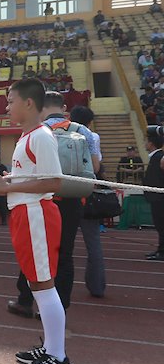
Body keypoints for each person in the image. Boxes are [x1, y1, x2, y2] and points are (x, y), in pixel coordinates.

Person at [0, 78, 71, 364]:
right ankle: (50, 348)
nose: (7, 107)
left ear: (29, 103)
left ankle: (58, 358)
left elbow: (53, 182)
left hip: (36, 213)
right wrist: (9, 181)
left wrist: (8, 185)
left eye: (11, 101)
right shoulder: (26, 137)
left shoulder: (41, 136)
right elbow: (35, 177)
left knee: (43, 283)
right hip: (25, 212)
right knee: (37, 282)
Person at [7, 91, 95, 318]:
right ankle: (60, 306)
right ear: (63, 107)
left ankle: (25, 300)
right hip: (70, 199)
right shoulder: (82, 131)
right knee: (64, 254)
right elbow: (94, 165)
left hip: (39, 201)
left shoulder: (34, 131)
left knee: (33, 252)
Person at [68, 105, 105, 297]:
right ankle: (97, 286)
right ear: (89, 121)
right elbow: (96, 166)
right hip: (88, 193)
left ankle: (58, 286)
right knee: (93, 243)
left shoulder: (60, 132)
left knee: (63, 243)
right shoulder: (92, 136)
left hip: (65, 192)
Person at [144, 125, 164, 260]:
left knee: (161, 225)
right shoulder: (155, 157)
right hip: (156, 197)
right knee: (159, 225)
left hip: (159, 197)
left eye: (146, 141)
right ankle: (160, 249)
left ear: (151, 143)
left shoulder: (159, 157)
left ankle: (162, 252)